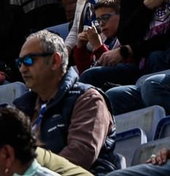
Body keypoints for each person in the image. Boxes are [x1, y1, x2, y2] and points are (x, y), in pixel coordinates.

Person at [15, 31, 116, 174]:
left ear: (55, 61)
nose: (22, 69)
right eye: (19, 63)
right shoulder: (22, 109)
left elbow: (79, 155)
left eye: (29, 60)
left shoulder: (88, 99)